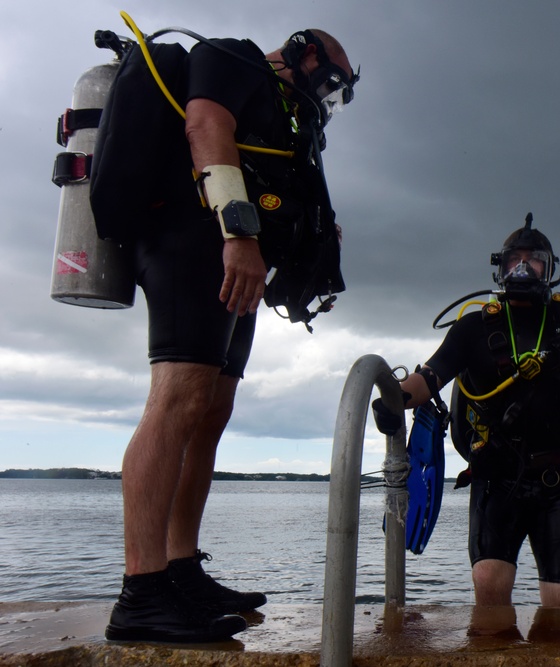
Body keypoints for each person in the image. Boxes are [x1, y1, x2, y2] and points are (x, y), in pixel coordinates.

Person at [101, 28, 358, 643]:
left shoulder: (285, 114)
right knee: (179, 397)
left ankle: (180, 568)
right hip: (194, 242)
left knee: (212, 409)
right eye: (331, 82)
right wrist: (238, 233)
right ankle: (141, 593)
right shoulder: (232, 57)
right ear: (307, 52)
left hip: (234, 257)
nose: (329, 97)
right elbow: (204, 126)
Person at [373, 215, 560, 608]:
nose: (523, 268)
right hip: (496, 476)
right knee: (489, 582)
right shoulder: (472, 328)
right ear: (500, 267)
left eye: (534, 259)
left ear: (550, 269)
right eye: (513, 260)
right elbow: (430, 376)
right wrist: (394, 399)